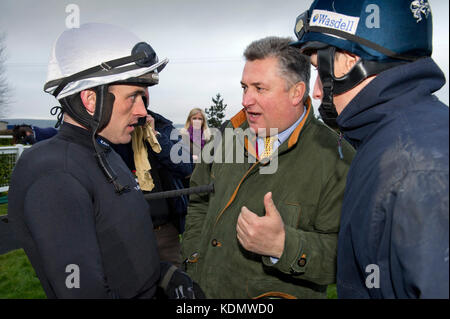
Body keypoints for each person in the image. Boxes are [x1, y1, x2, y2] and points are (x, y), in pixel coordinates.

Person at [8, 23, 201, 299]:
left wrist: (163, 275)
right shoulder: (55, 175)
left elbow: (118, 250)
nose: (142, 111)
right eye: (133, 96)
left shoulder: (102, 151)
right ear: (90, 100)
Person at [291, 0, 449, 298]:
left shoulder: (415, 166)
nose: (314, 91)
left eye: (318, 68)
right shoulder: (391, 141)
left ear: (350, 60)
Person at [181, 36, 355, 299]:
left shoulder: (337, 158)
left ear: (296, 92)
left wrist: (283, 246)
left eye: (259, 89)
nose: (246, 100)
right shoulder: (229, 133)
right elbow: (199, 198)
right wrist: (193, 254)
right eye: (244, 87)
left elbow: (347, 255)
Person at [112, 106, 194, 268]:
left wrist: (155, 135)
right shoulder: (112, 128)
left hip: (163, 229)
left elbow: (185, 167)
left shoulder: (163, 127)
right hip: (126, 231)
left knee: (175, 283)